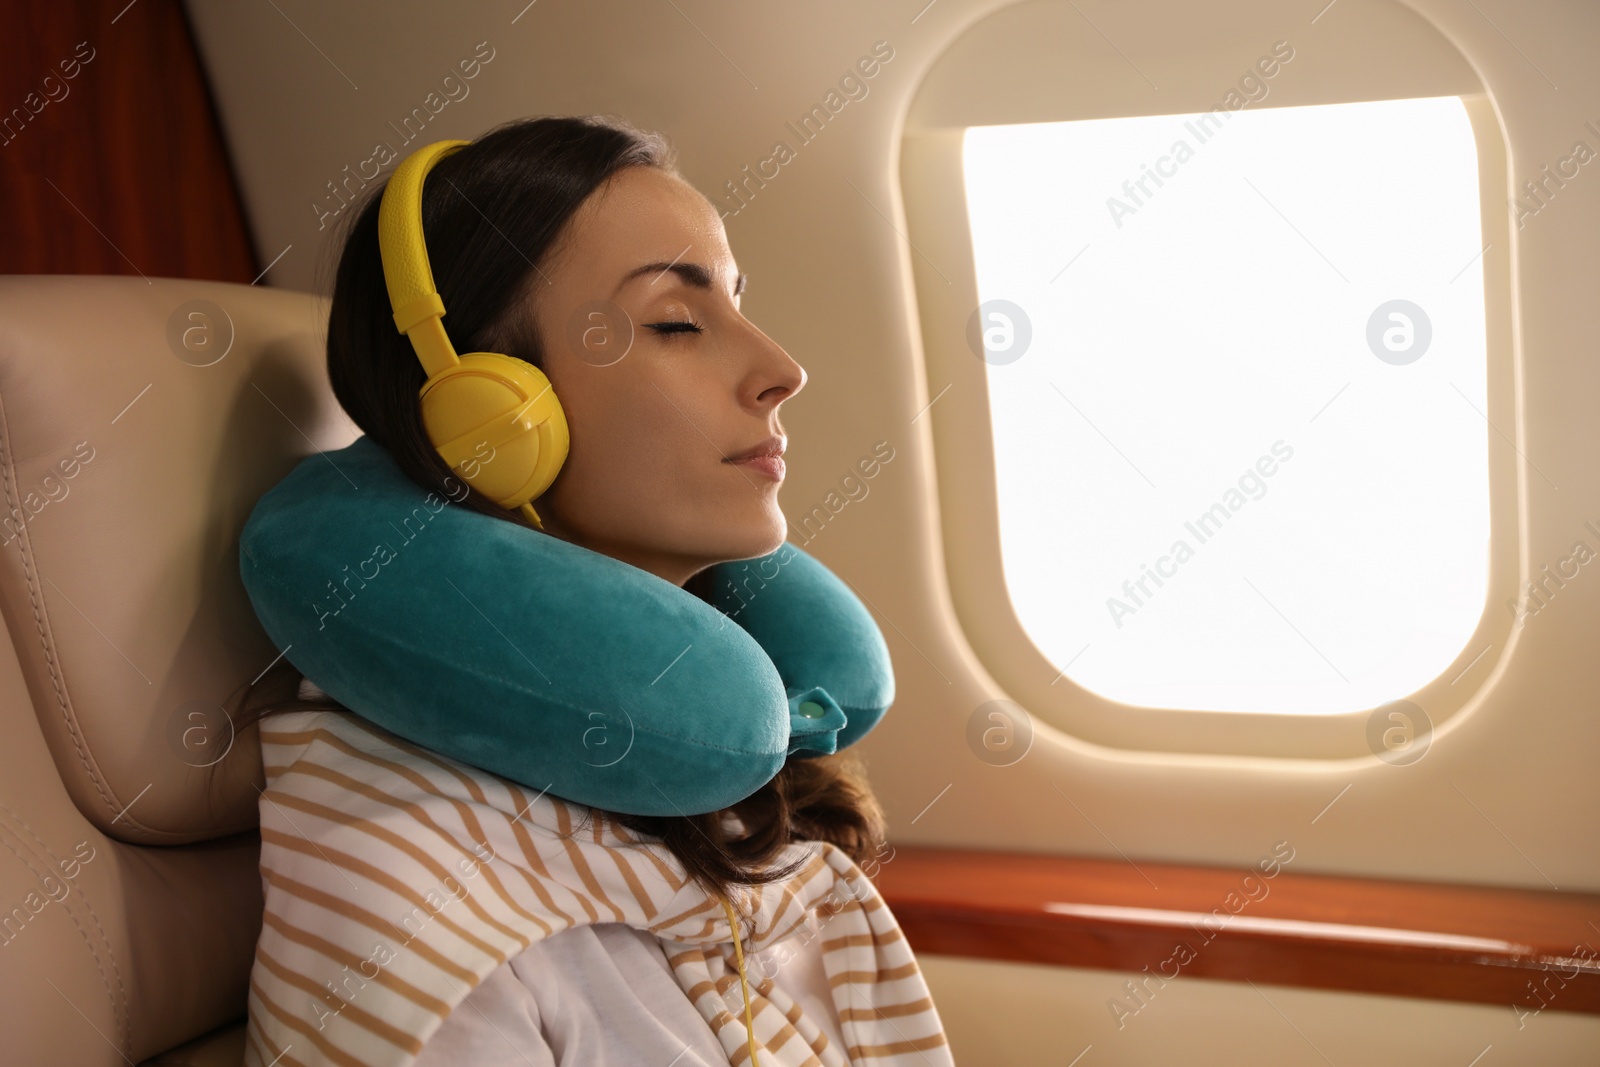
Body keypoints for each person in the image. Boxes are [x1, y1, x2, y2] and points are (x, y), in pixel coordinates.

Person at [236, 114, 951, 1065]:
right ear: (490, 416)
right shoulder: (419, 897)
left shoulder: (723, 775)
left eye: (739, 302)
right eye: (675, 323)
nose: (784, 371)